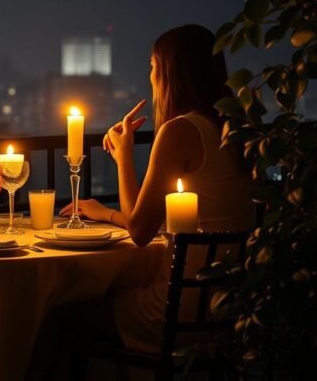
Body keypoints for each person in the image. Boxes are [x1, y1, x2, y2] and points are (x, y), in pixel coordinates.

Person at [31, 24, 255, 374]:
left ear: (170, 71)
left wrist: (107, 198)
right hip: (228, 309)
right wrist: (124, 161)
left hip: (177, 310)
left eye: (153, 66)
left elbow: (138, 229)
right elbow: (145, 221)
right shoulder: (235, 127)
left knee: (53, 314)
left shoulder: (180, 130)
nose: (150, 75)